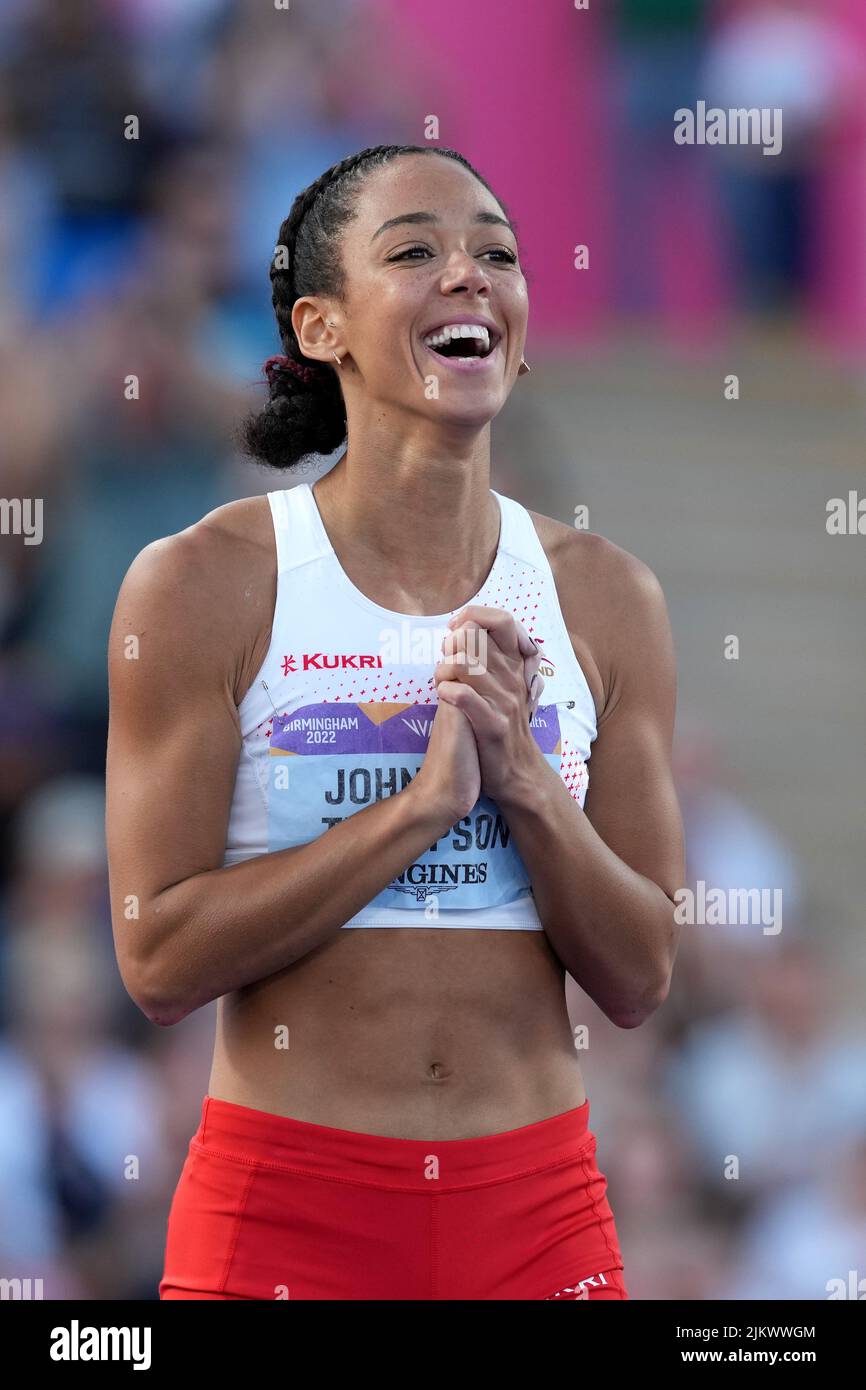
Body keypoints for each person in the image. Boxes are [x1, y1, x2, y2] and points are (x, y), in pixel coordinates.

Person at [106, 144, 685, 1301]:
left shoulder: (608, 596)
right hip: (285, 1212)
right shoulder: (206, 582)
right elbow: (157, 957)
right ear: (321, 327)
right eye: (414, 251)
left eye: (497, 254)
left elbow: (639, 971)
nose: (468, 276)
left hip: (535, 1214)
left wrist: (519, 777)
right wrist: (421, 808)